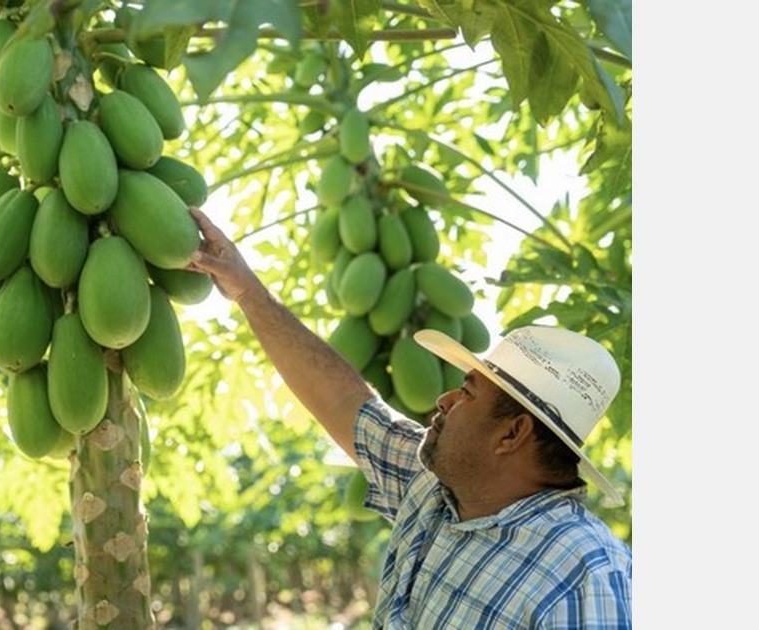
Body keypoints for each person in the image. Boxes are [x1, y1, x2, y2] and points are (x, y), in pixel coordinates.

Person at [186, 208, 632, 629]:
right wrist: (248, 292)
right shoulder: (434, 491)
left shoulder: (583, 573)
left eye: (467, 395)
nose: (443, 399)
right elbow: (345, 401)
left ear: (512, 433)